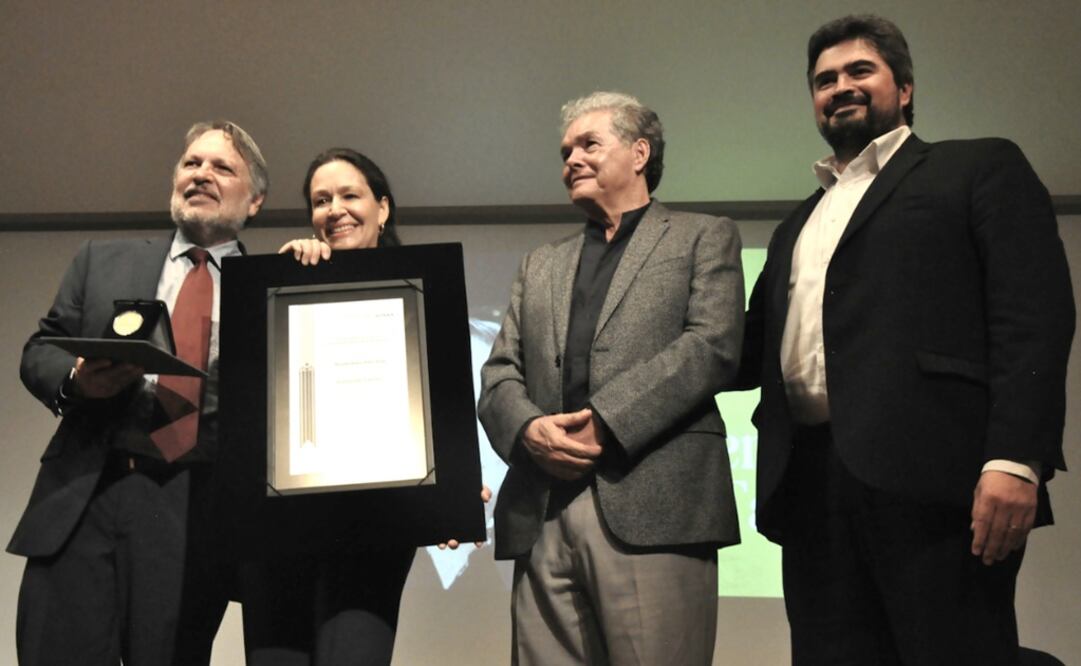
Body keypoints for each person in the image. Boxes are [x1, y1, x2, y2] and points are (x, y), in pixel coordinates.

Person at [736, 15, 1075, 665]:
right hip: (809, 486)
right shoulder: (795, 225)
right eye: (823, 79)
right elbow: (743, 351)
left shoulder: (976, 166)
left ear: (905, 88)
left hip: (936, 482)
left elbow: (1032, 316)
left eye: (859, 71)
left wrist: (1015, 458)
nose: (839, 87)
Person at [478, 91, 744, 665]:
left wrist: (609, 422)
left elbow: (712, 344)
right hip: (542, 509)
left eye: (588, 144)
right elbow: (500, 372)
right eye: (565, 150)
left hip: (656, 505)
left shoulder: (703, 235)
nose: (571, 159)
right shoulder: (540, 262)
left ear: (640, 152)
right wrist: (527, 431)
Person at [9, 120, 268, 665]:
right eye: (191, 163)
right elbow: (42, 349)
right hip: (86, 496)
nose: (201, 174)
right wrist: (77, 379)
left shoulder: (272, 286)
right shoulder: (101, 259)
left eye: (222, 167)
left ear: (256, 200)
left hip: (194, 508)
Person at [242, 147, 488, 666]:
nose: (335, 209)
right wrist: (283, 281)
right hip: (281, 532)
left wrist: (453, 488)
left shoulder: (422, 298)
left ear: (383, 208)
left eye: (350, 195)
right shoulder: (283, 283)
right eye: (321, 200)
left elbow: (439, 409)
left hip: (375, 529)